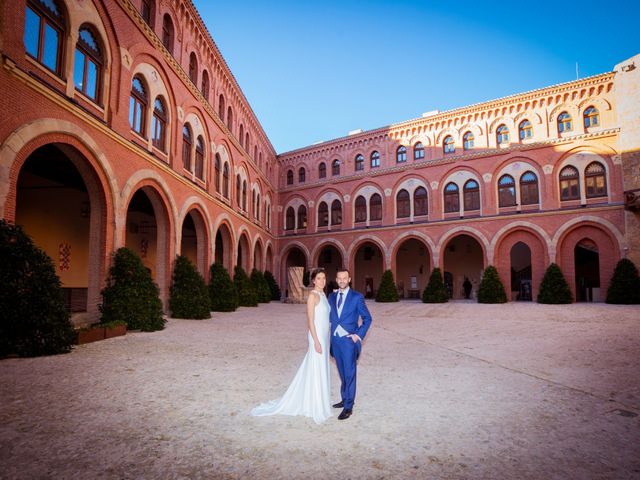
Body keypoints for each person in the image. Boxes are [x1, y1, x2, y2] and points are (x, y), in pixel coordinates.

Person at [251, 268, 332, 424]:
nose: (322, 281)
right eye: (319, 278)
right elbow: (310, 321)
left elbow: (324, 317)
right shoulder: (312, 296)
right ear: (313, 280)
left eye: (324, 278)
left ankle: (318, 398)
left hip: (324, 335)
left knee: (320, 367)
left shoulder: (323, 295)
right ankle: (314, 404)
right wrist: (315, 340)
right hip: (316, 337)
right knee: (316, 366)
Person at [329, 269, 373, 420]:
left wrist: (358, 336)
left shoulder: (357, 297)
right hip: (335, 341)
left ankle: (349, 407)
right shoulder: (332, 296)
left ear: (349, 279)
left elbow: (367, 319)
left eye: (344, 278)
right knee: (342, 372)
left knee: (350, 373)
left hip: (349, 342)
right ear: (336, 279)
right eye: (339, 278)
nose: (342, 280)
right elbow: (329, 316)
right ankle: (344, 398)